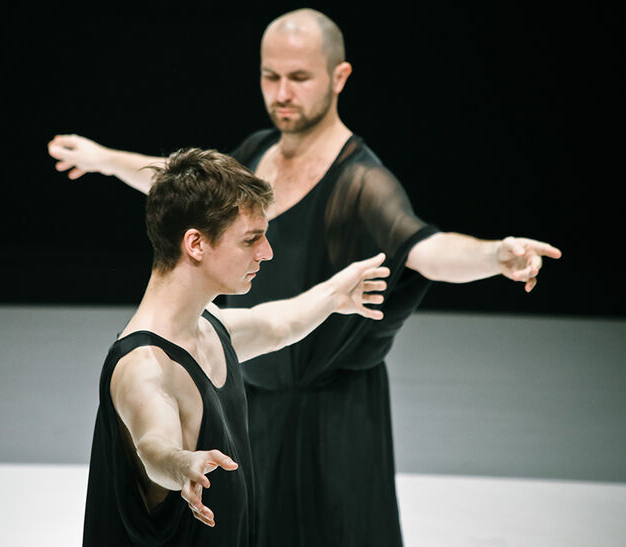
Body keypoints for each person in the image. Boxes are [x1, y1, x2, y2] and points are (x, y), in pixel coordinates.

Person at [51, 9, 562, 546]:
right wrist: (106, 159)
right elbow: (189, 197)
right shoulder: (255, 157)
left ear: (339, 78)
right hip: (256, 396)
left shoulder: (362, 181)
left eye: (299, 77)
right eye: (270, 77)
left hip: (329, 410)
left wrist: (494, 256)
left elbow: (421, 248)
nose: (282, 92)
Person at [82, 146, 391, 546]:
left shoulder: (208, 327)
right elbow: (154, 447)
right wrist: (183, 465)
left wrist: (335, 294)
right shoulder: (144, 365)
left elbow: (276, 325)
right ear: (196, 244)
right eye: (251, 239)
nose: (267, 253)